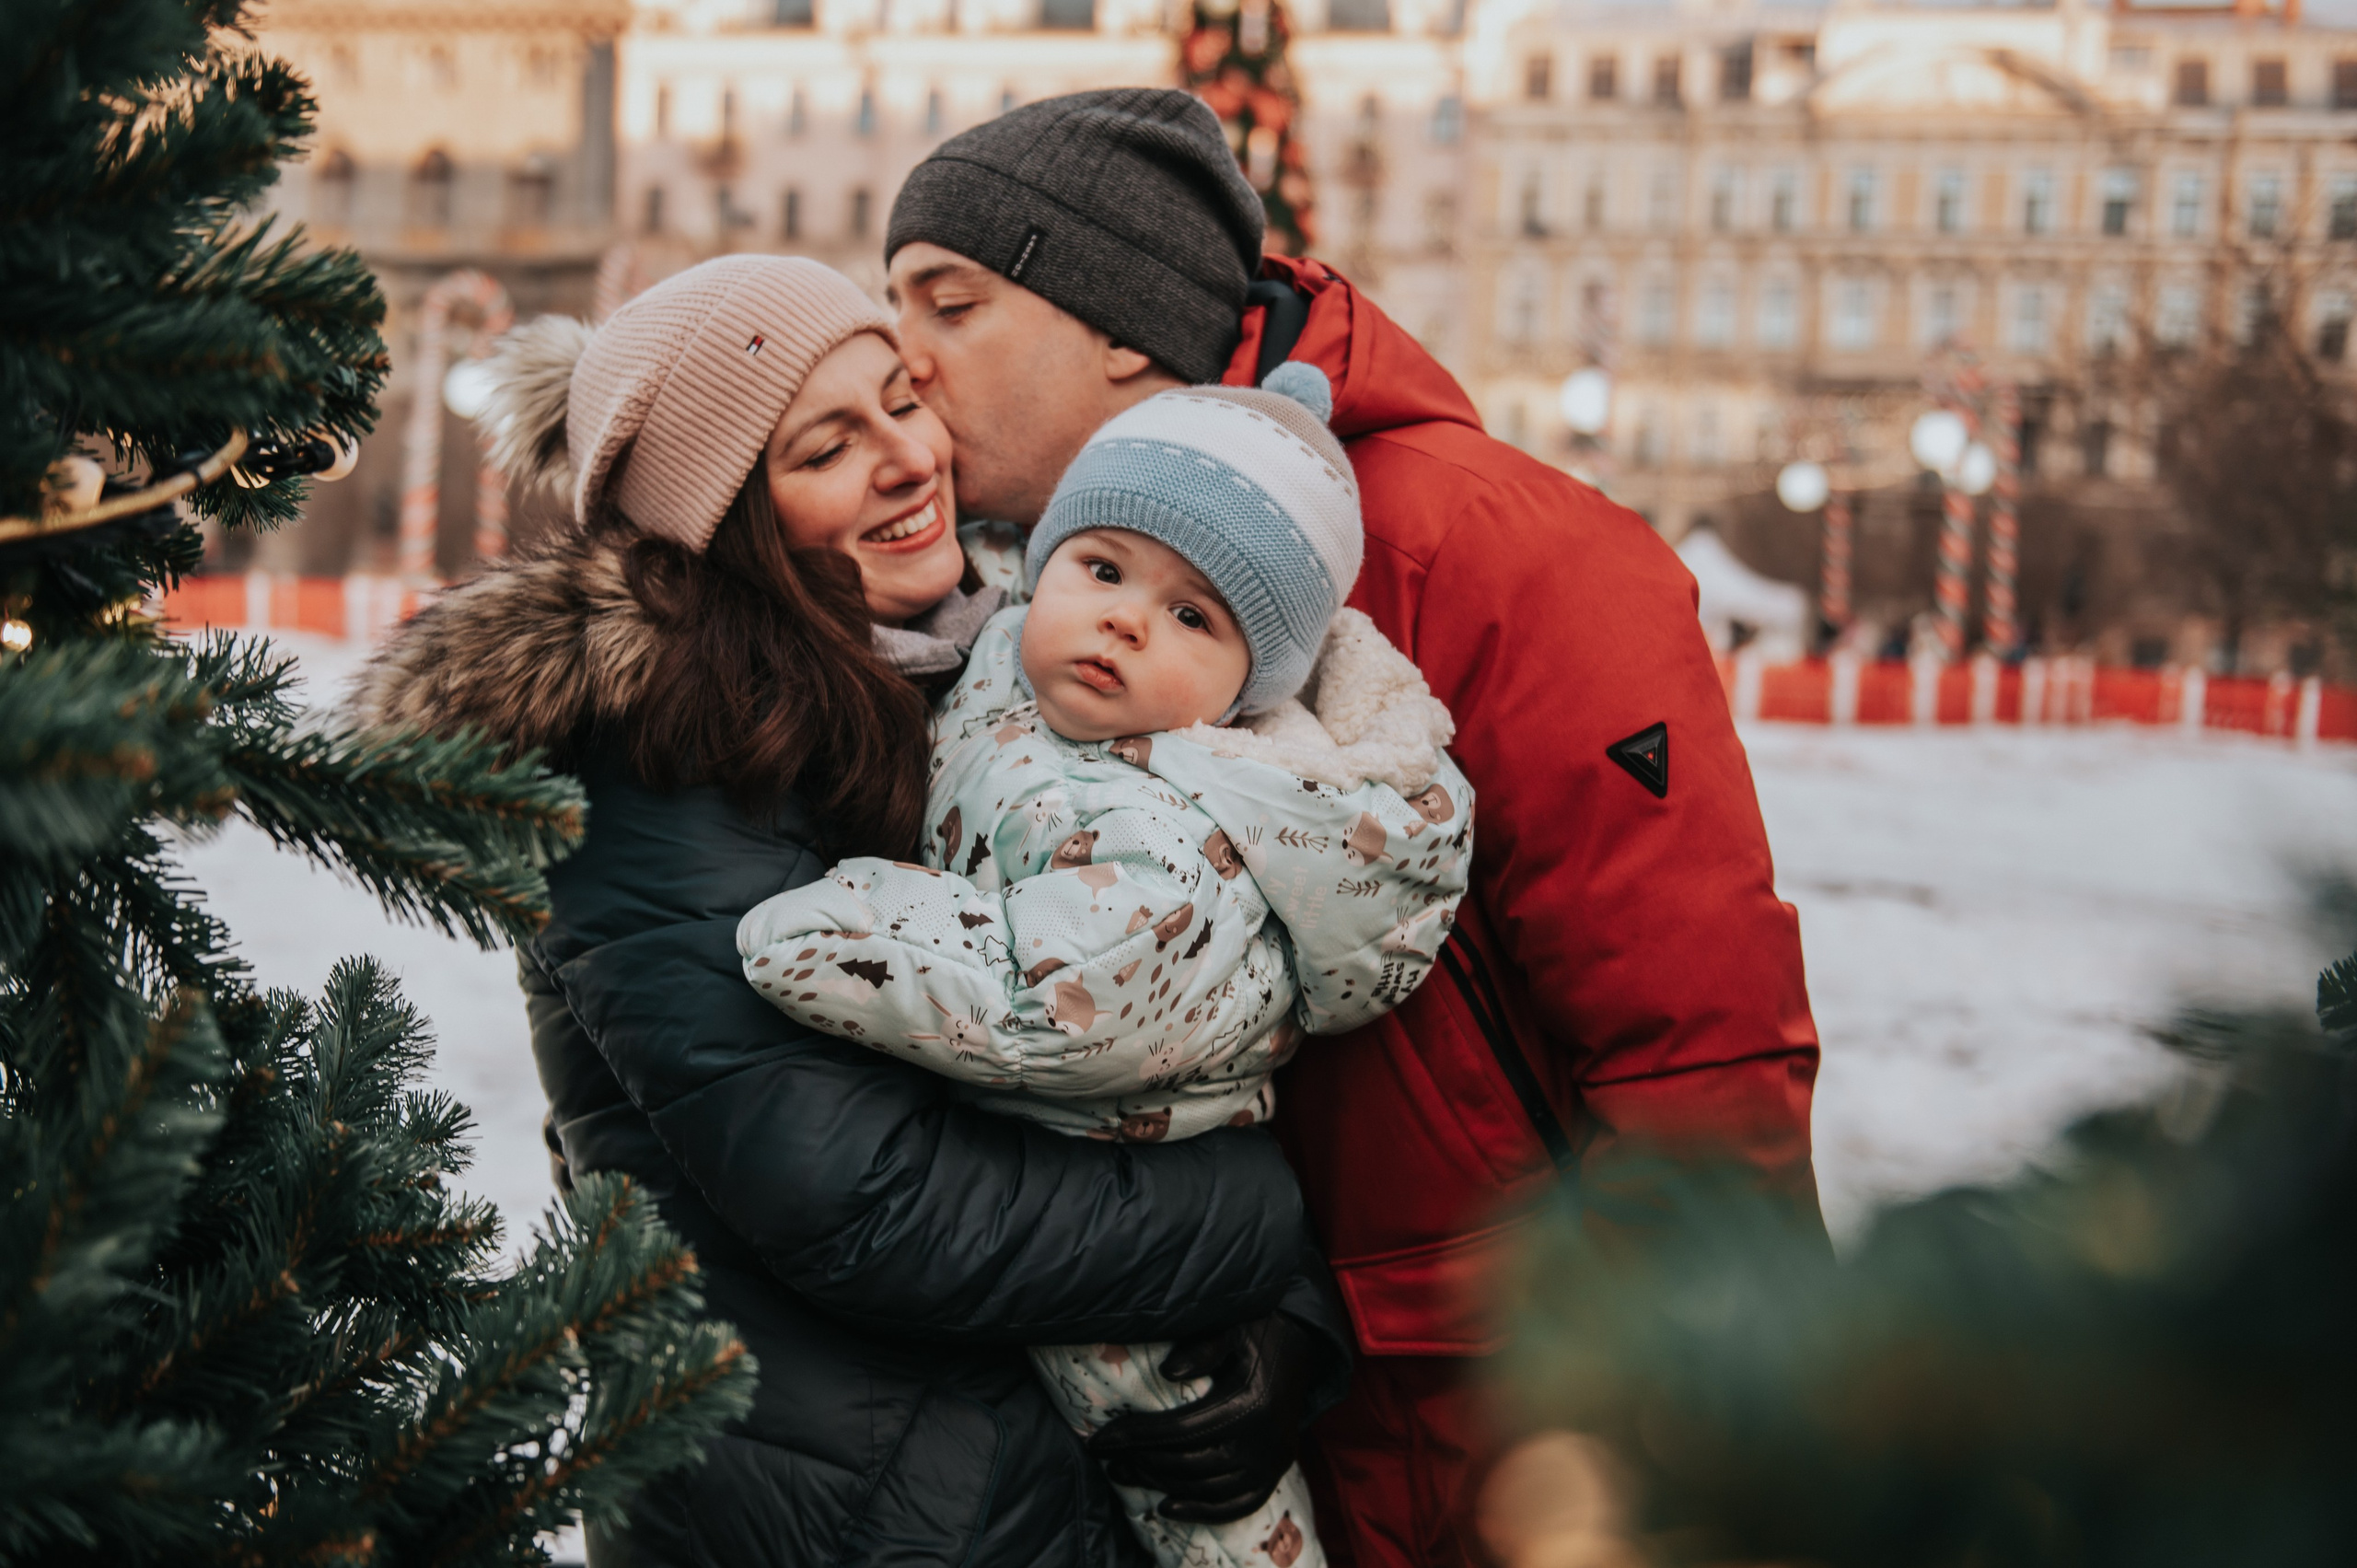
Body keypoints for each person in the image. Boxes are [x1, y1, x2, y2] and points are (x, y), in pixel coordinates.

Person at [883, 88, 1825, 1566]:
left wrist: (1685, 1435)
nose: (903, 359)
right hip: (1229, 1406)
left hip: (1509, 1429)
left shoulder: (1495, 550)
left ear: (1119, 322)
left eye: (951, 300)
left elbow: (1696, 1050)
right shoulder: (1018, 605)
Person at [352, 254, 1349, 1567]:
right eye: (830, 445)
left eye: (901, 400)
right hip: (842, 1515)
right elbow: (872, 1208)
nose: (906, 457)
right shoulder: (662, 764)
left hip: (997, 1486)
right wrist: (1267, 1230)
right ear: (728, 523)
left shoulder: (993, 669)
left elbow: (1152, 1008)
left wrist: (1290, 1320)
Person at [737, 366, 1474, 1568]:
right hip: (1049, 1230)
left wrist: (846, 922)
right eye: (1103, 569)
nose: (1128, 619)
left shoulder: (1179, 829)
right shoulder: (1013, 675)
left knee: (1220, 1527)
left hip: (1136, 1250)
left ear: (1250, 691)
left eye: (1196, 618)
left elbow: (1055, 1000)